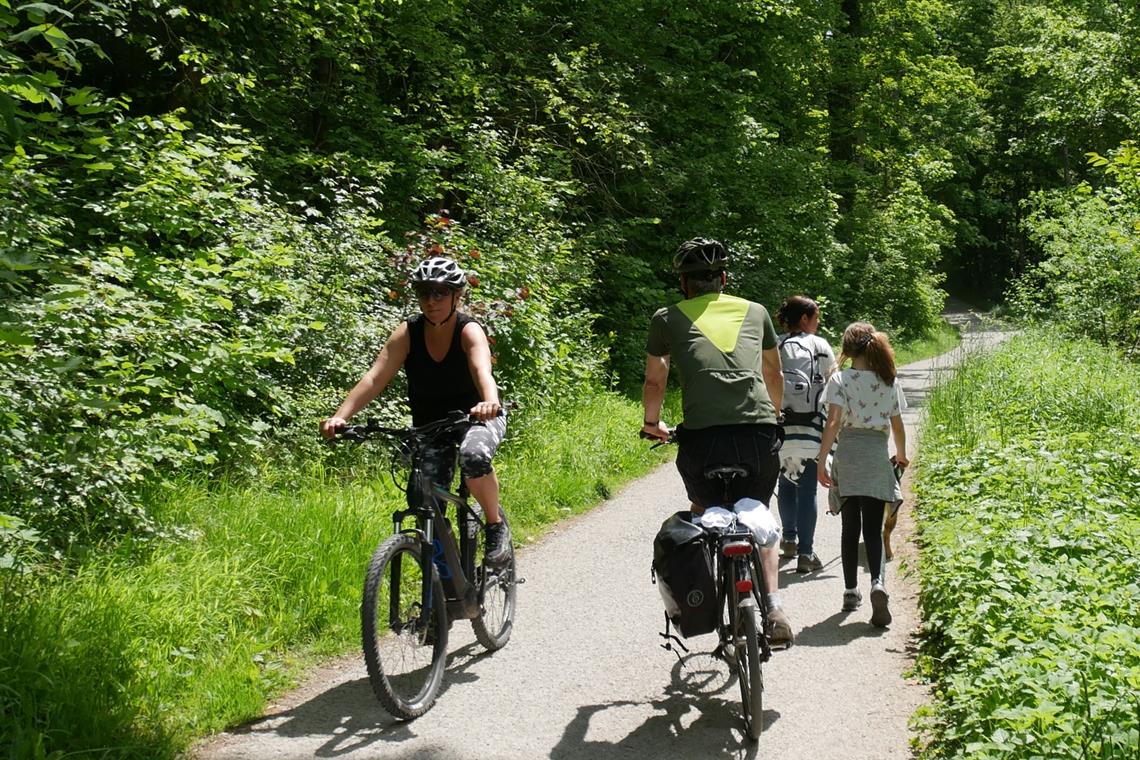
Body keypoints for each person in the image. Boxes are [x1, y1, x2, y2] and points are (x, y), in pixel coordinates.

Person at [641, 238, 794, 646]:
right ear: (723, 279)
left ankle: (710, 593)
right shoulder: (757, 312)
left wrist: (651, 423)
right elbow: (773, 374)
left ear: (684, 285)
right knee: (758, 513)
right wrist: (774, 415)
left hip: (703, 439)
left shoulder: (666, 318)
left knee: (704, 509)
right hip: (757, 434)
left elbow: (655, 379)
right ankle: (775, 606)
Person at [319, 256, 512, 564]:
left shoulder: (468, 331)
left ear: (456, 296)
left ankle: (494, 525)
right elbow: (373, 378)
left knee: (474, 457)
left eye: (440, 292)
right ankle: (442, 581)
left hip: (477, 417)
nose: (431, 300)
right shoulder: (408, 332)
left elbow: (482, 370)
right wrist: (341, 416)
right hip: (432, 425)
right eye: (424, 292)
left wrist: (489, 401)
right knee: (421, 498)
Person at [816, 321, 909, 627]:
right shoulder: (889, 381)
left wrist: (821, 460)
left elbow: (832, 424)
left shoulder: (840, 379)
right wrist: (903, 454)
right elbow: (897, 425)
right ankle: (878, 583)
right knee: (873, 528)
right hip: (875, 456)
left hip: (849, 455)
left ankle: (850, 591)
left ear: (847, 348)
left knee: (849, 528)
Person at [774, 296, 836, 573]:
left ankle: (788, 540)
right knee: (808, 488)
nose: (818, 322)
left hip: (780, 427)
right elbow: (834, 385)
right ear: (804, 319)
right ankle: (806, 554)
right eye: (816, 317)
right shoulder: (820, 345)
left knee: (786, 483)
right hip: (812, 428)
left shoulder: (774, 344)